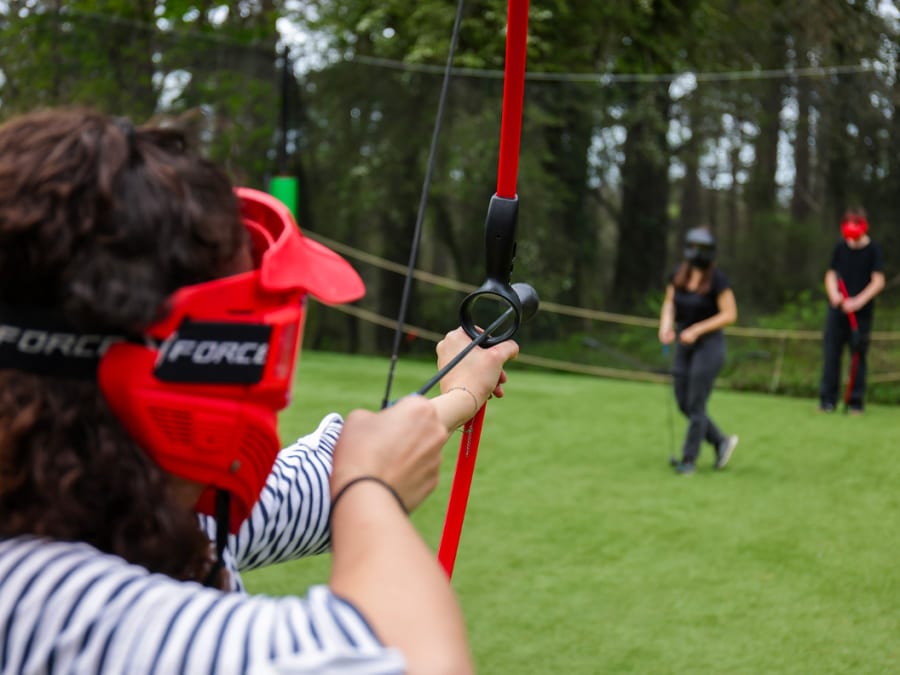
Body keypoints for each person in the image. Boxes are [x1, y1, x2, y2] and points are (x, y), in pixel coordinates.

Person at [0, 107, 520, 674]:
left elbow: (314, 485)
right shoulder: (37, 604)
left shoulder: (117, 500)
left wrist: (457, 394)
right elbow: (402, 661)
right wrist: (368, 491)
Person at [658, 226, 739, 475]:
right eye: (693, 247)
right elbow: (670, 304)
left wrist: (698, 330)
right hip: (684, 343)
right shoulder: (678, 275)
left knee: (696, 402)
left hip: (709, 345)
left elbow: (730, 314)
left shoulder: (718, 280)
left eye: (702, 249)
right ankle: (720, 441)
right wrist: (666, 326)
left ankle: (689, 459)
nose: (696, 253)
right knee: (683, 401)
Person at [818, 208, 885, 414]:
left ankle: (855, 402)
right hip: (837, 311)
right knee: (831, 354)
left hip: (860, 314)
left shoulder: (873, 250)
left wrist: (857, 302)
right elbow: (831, 274)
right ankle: (827, 401)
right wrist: (834, 295)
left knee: (858, 356)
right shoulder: (840, 247)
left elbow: (878, 281)